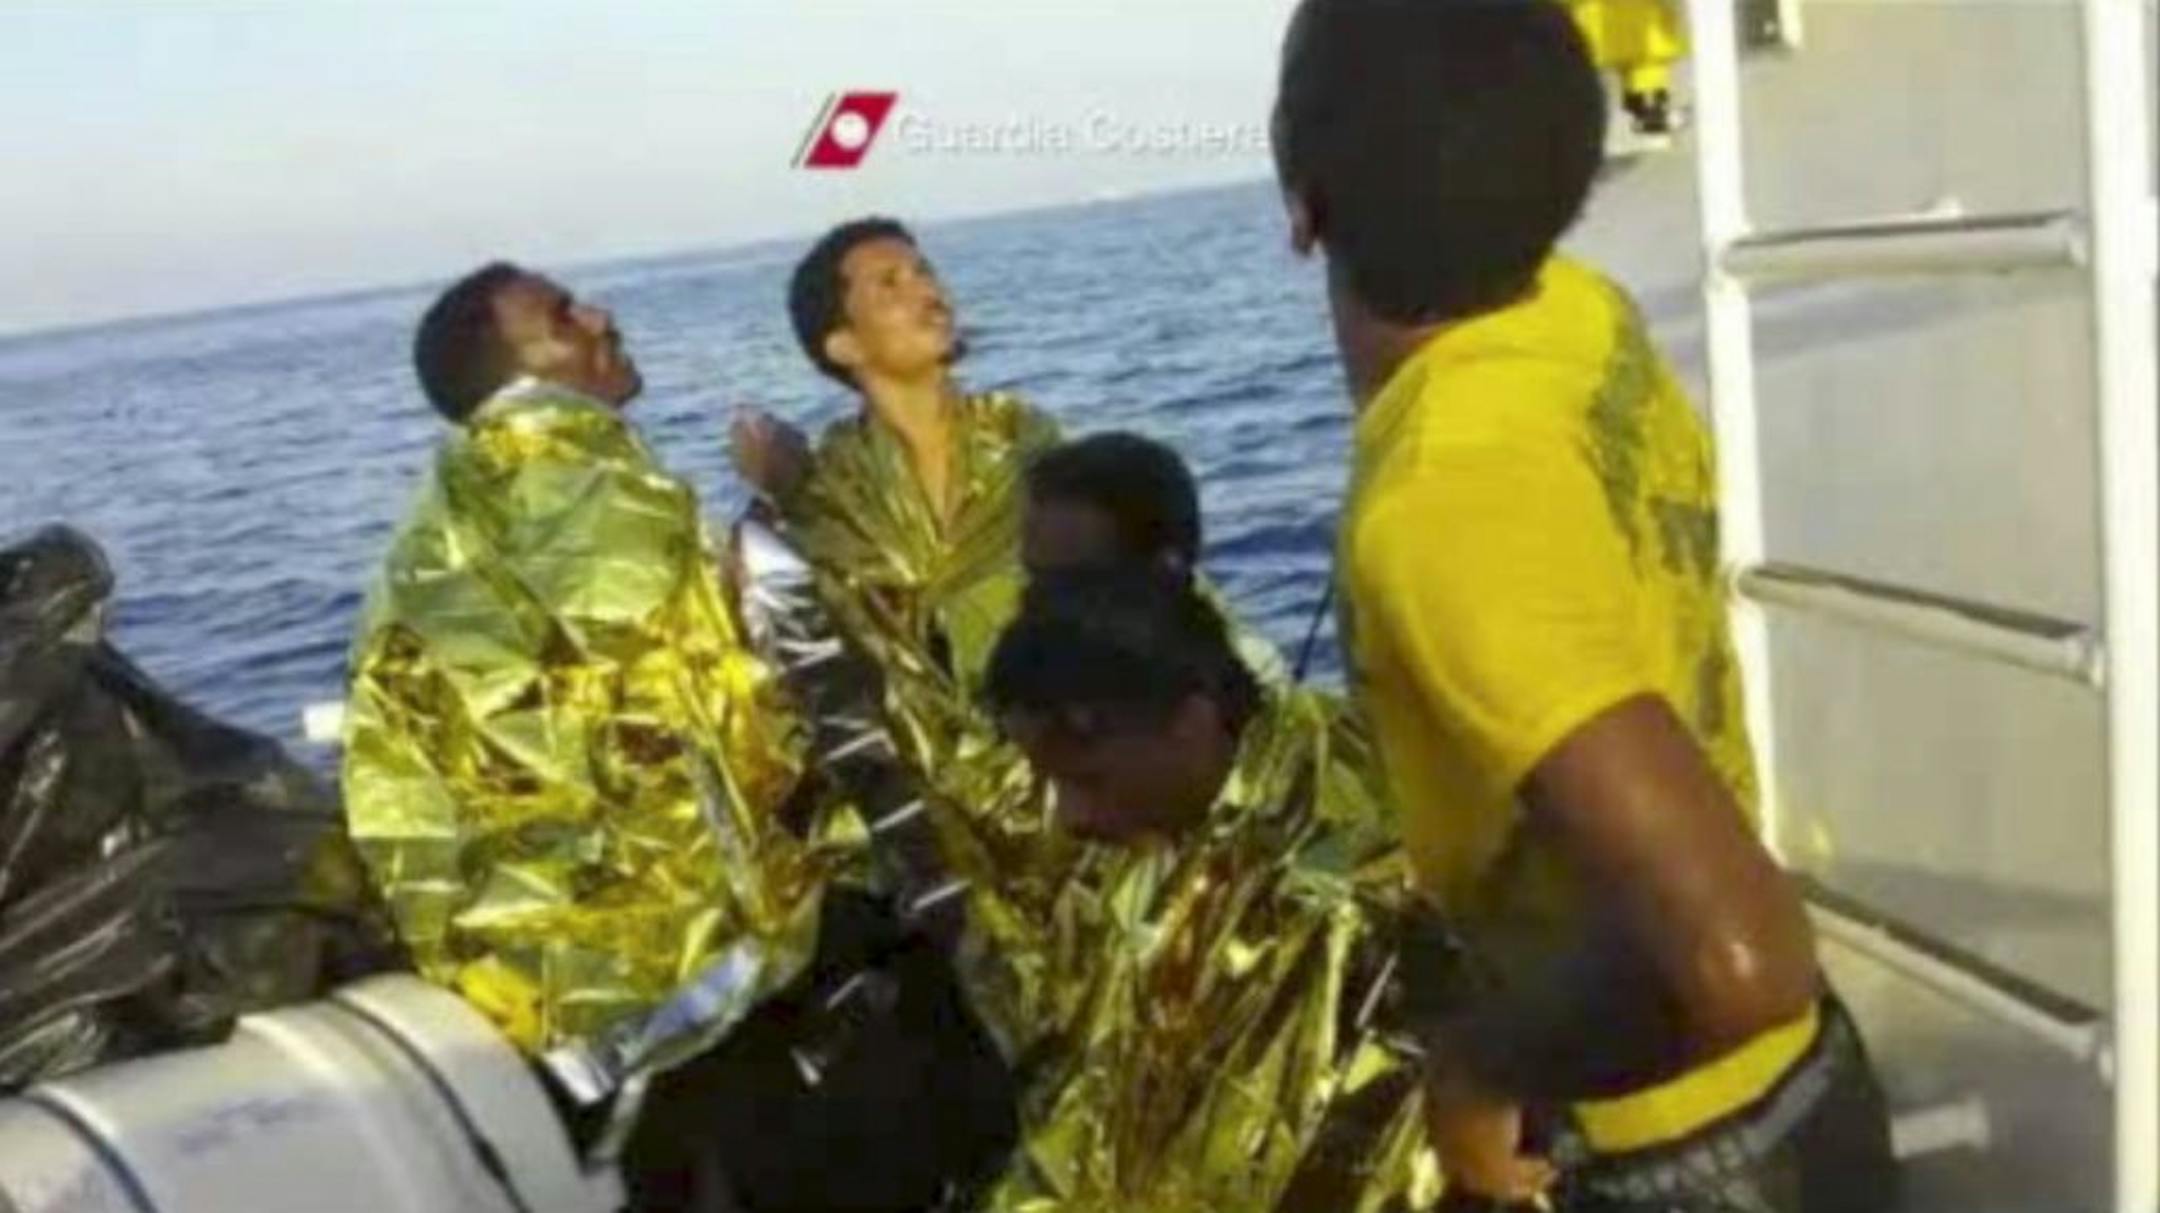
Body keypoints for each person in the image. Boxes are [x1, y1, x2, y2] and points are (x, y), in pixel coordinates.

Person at [1273, 3, 1898, 1210]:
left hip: (1669, 1158)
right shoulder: (1577, 310)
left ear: (1304, 207)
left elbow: (1737, 955)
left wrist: (1477, 1072)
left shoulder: (1439, 503)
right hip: (1804, 1091)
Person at [345, 264, 1015, 1212]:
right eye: (561, 316)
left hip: (548, 1008)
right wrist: (782, 523)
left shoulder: (436, 531)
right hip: (691, 976)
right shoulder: (583, 482)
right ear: (513, 369)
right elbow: (720, 723)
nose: (598, 317)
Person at [968, 569, 1438, 1212]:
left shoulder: (1334, 900)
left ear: (1191, 723)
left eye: (1088, 779)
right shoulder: (1176, 826)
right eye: (1050, 782)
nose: (1068, 817)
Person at [732, 216, 1059, 698]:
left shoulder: (1022, 437)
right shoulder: (826, 492)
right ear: (845, 345)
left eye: (925, 272)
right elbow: (798, 652)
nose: (929, 291)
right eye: (890, 283)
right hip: (922, 739)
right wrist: (779, 496)